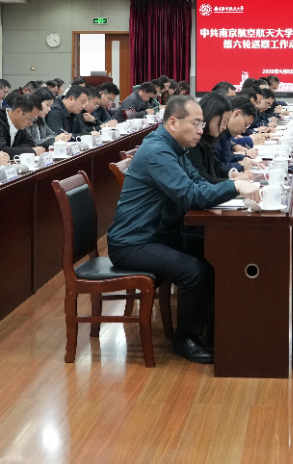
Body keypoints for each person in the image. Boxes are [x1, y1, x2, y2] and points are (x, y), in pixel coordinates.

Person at [106, 96, 261, 364]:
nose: (201, 129)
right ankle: (185, 339)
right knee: (194, 271)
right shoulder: (158, 152)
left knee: (218, 251)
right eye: (196, 123)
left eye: (202, 123)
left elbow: (199, 183)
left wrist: (232, 187)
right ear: (173, 122)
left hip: (161, 234)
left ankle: (217, 327)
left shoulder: (175, 148)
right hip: (134, 243)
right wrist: (234, 186)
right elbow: (190, 195)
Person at [185, 93, 249, 184]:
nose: (224, 127)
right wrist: (234, 183)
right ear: (212, 114)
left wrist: (231, 174)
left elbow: (216, 166)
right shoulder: (193, 141)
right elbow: (203, 181)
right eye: (224, 122)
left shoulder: (208, 138)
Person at [216, 101, 258, 173]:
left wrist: (243, 158)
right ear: (237, 114)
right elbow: (215, 168)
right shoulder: (217, 133)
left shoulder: (226, 134)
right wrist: (240, 165)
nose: (244, 131)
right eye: (245, 124)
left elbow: (228, 157)